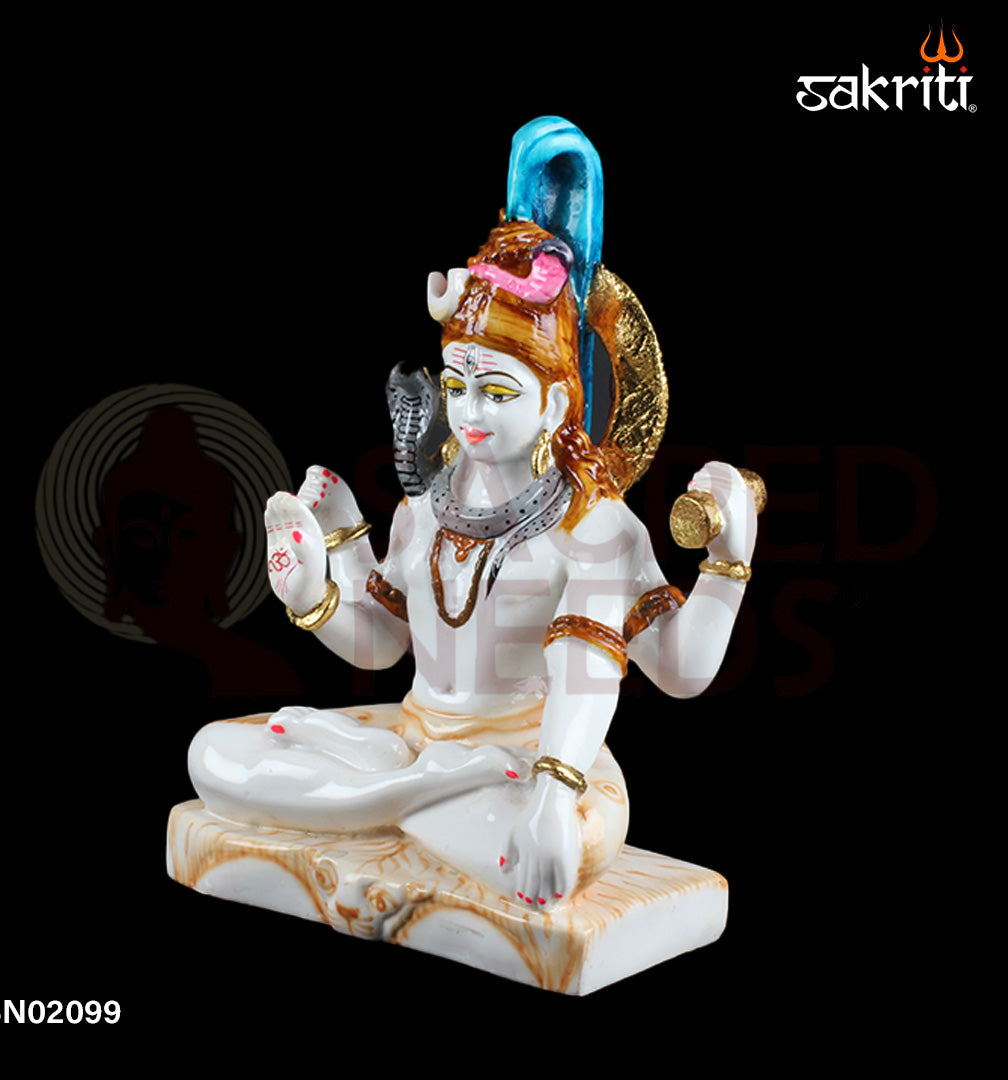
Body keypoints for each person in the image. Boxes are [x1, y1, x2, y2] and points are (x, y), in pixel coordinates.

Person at [188, 219, 756, 908]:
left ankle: (378, 788)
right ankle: (420, 784)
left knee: (564, 848)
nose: (468, 412)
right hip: (415, 737)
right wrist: (312, 596)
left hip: (531, 766)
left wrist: (728, 562)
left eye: (497, 391)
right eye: (456, 386)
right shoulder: (427, 509)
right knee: (210, 754)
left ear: (554, 403)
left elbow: (678, 670)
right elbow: (381, 645)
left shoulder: (596, 526)